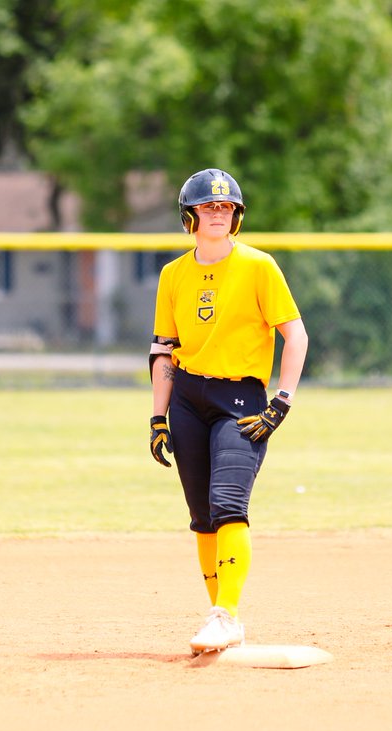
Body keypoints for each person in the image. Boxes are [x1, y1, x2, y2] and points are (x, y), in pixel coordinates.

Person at [147, 167, 308, 655]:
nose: (217, 213)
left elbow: (295, 335)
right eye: (207, 206)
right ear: (189, 216)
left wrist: (282, 400)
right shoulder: (173, 274)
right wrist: (158, 416)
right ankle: (222, 618)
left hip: (240, 399)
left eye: (225, 207)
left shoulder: (259, 266)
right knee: (201, 515)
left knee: (229, 505)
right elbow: (163, 351)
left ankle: (226, 615)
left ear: (236, 217)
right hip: (188, 399)